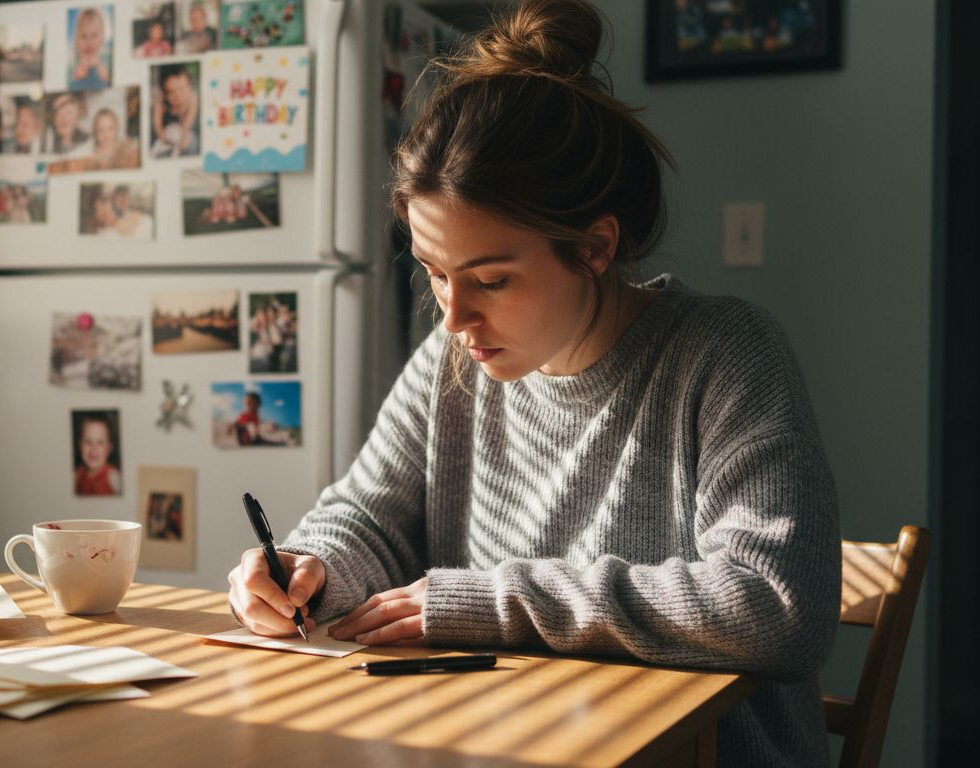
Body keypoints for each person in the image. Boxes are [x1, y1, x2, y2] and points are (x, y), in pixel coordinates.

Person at [225, 2, 839, 766]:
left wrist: (492, 602)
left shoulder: (726, 356)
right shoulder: (454, 366)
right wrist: (310, 569)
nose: (454, 318)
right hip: (500, 743)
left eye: (490, 279)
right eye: (434, 273)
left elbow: (777, 606)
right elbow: (371, 517)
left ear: (594, 248)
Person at [150, 65, 199, 157]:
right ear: (164, 93)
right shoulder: (160, 100)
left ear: (190, 87)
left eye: (182, 89)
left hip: (185, 132)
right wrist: (163, 136)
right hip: (166, 134)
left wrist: (181, 141)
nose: (178, 96)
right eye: (171, 92)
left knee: (192, 141)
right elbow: (157, 127)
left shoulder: (193, 99)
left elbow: (187, 126)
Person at [74, 413, 120, 495]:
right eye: (88, 442)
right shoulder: (76, 475)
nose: (93, 449)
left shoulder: (113, 477)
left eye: (100, 443)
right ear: (79, 445)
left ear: (109, 448)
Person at [69, 7, 111, 90]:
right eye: (83, 36)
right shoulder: (74, 59)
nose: (89, 42)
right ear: (76, 40)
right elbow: (72, 80)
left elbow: (108, 78)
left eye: (94, 35)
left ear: (102, 39)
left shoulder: (105, 56)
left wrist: (99, 65)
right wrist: (82, 67)